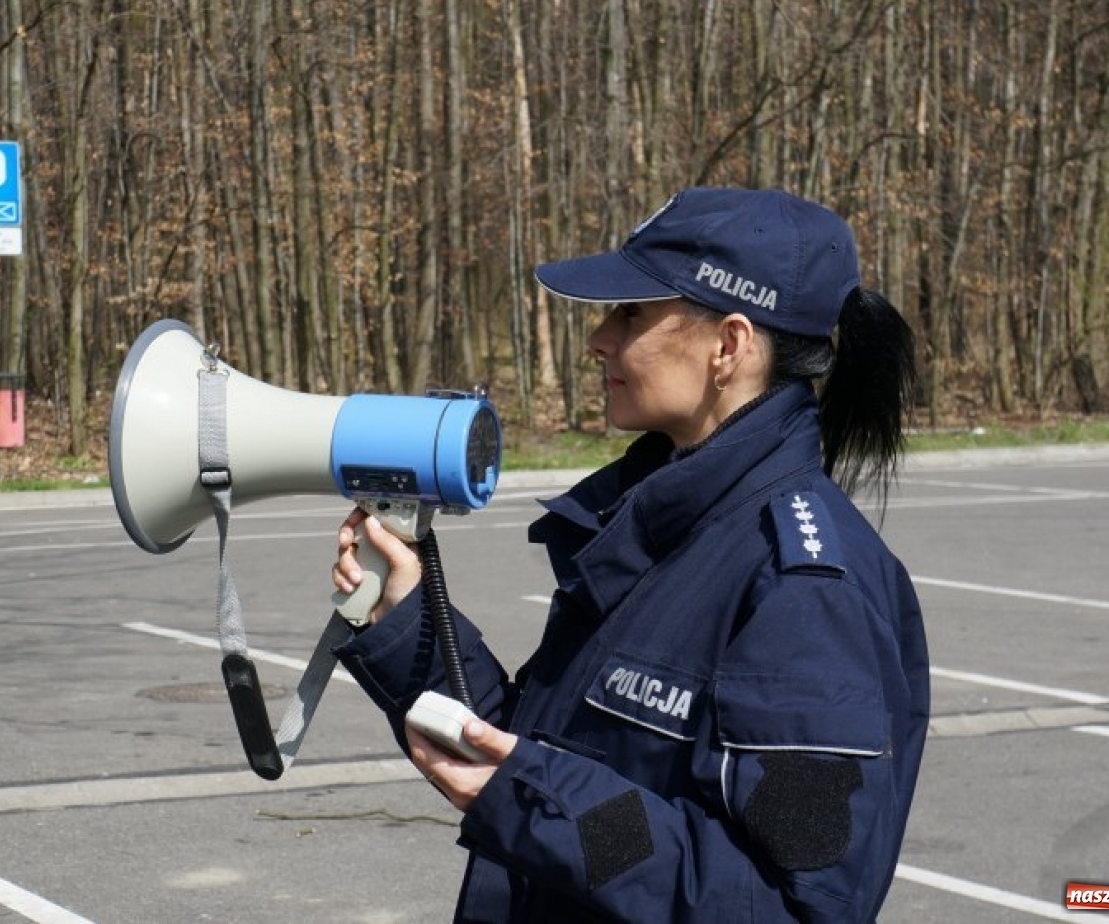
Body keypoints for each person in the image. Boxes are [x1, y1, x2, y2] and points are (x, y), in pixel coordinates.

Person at [331, 187, 929, 922]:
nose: (600, 339)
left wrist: (541, 802)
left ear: (729, 346)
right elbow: (535, 749)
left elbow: (783, 907)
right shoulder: (661, 523)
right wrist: (408, 623)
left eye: (632, 312)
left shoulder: (804, 591)